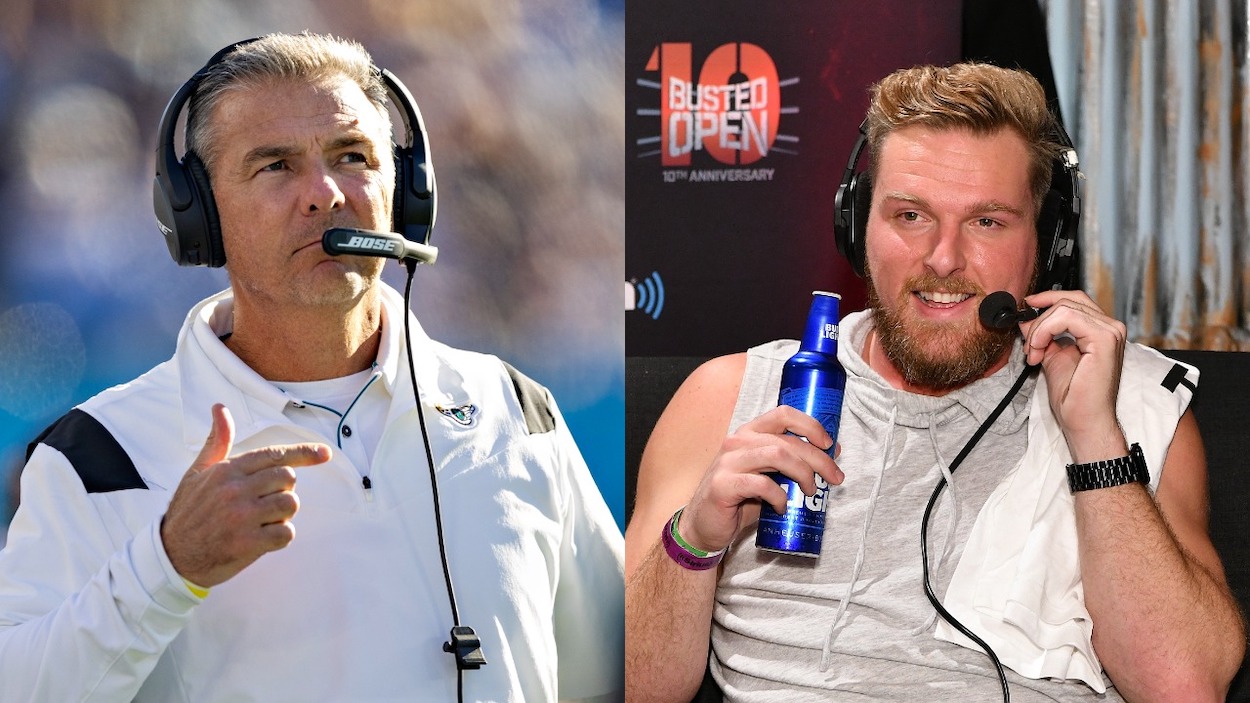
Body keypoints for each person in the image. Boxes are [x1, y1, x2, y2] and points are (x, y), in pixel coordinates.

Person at [0, 32, 623, 702]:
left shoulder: (516, 410)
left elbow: (612, 676)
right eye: (275, 166)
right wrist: (167, 566)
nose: (324, 193)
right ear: (198, 213)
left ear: (407, 190)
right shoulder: (97, 454)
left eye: (352, 155)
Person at [625, 62, 1245, 702]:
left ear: (1048, 243)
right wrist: (693, 540)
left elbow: (1184, 686)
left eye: (987, 222)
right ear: (858, 225)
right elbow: (627, 687)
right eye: (911, 215)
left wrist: (1093, 440)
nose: (944, 259)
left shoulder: (1123, 407)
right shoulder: (727, 398)